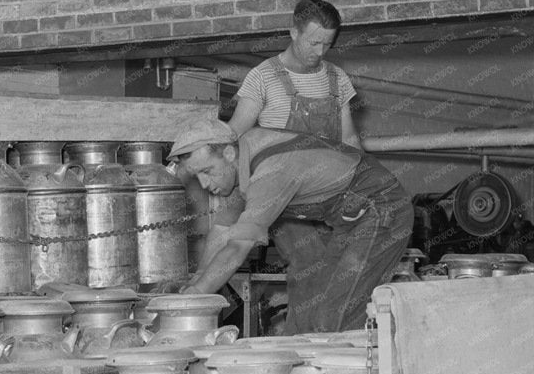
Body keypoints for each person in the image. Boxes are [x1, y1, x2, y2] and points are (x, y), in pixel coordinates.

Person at [169, 118, 412, 335]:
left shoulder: (270, 171)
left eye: (207, 171)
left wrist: (198, 295)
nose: (203, 183)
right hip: (351, 220)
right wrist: (198, 280)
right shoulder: (244, 154)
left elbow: (237, 247)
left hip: (382, 208)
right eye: (196, 175)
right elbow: (222, 230)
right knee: (315, 309)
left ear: (229, 154)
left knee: (334, 317)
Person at [228, 0, 360, 148]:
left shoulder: (338, 77)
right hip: (279, 170)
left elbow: (349, 141)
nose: (320, 52)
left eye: (327, 44)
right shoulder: (262, 77)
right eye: (314, 43)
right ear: (294, 33)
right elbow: (234, 136)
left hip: (331, 169)